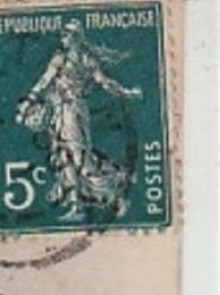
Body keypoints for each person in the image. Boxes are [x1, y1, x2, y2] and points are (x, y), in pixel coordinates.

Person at [16, 20, 142, 220]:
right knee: (64, 156)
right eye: (63, 35)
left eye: (67, 35)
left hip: (74, 112)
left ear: (76, 38)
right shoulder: (60, 59)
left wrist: (126, 93)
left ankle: (119, 186)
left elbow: (106, 83)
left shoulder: (87, 60)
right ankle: (77, 206)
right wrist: (29, 101)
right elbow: (44, 82)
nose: (63, 39)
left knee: (80, 160)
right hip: (59, 111)